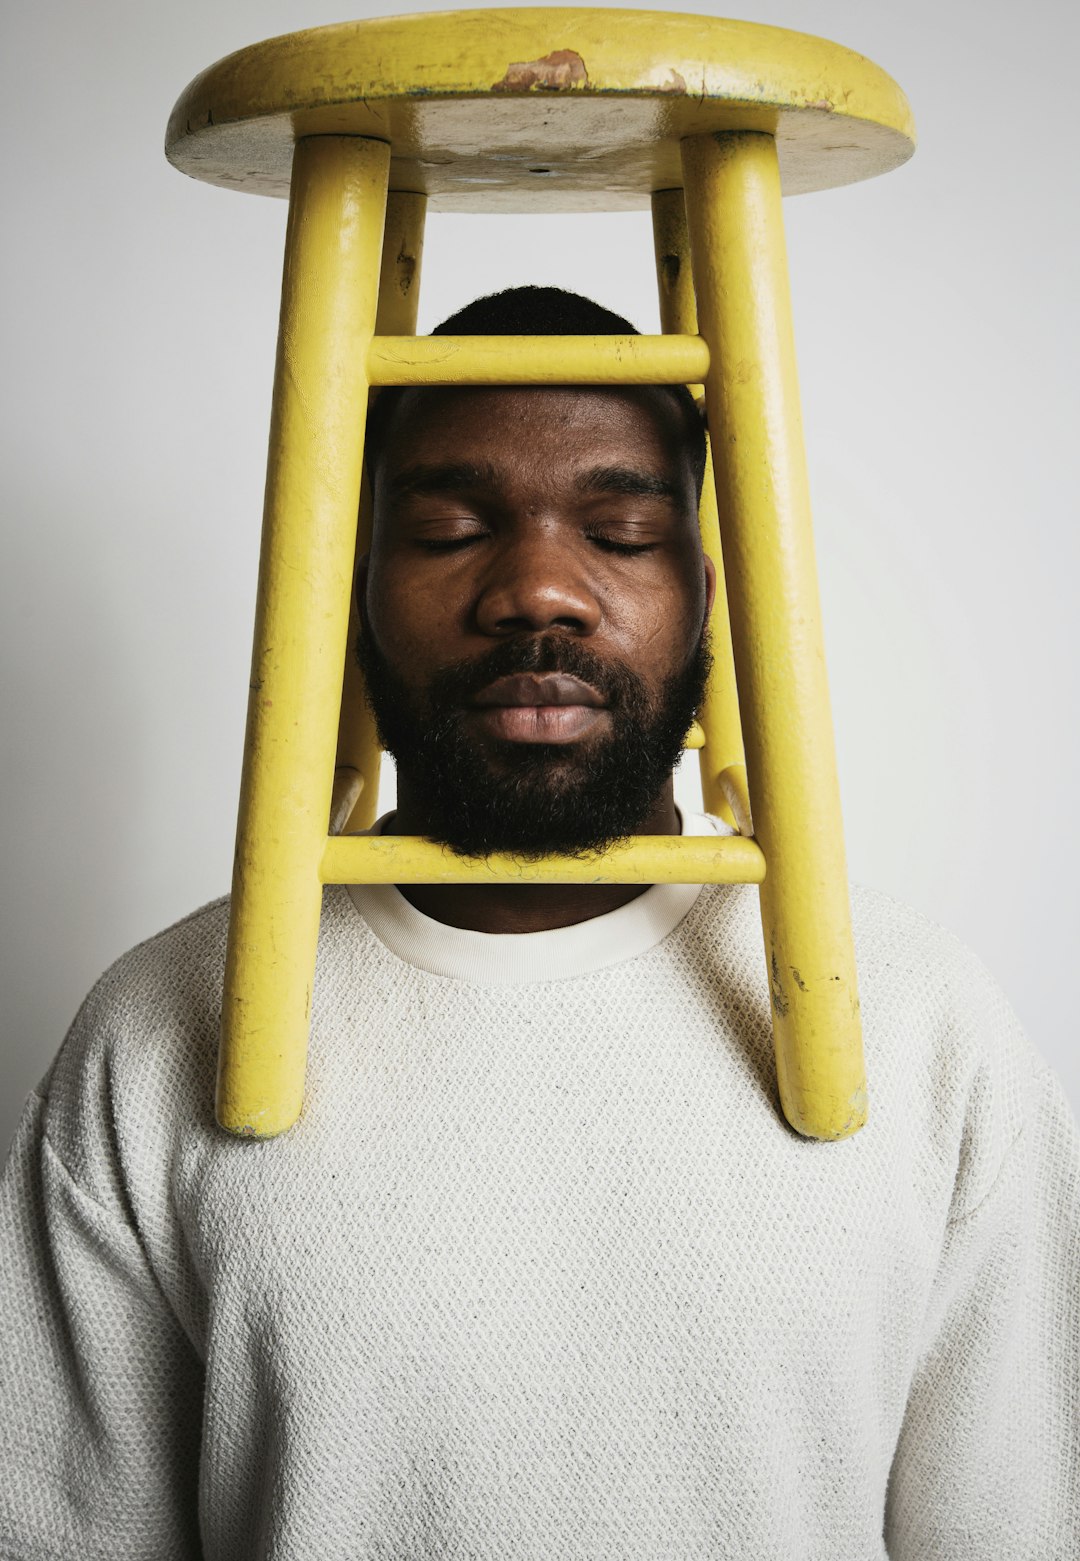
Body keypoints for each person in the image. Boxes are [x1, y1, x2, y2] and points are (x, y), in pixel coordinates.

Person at [0, 287, 1076, 1560]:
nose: (539, 591)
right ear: (343, 584)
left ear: (712, 593)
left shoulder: (920, 1024)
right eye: (452, 528)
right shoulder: (160, 1024)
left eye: (620, 532)